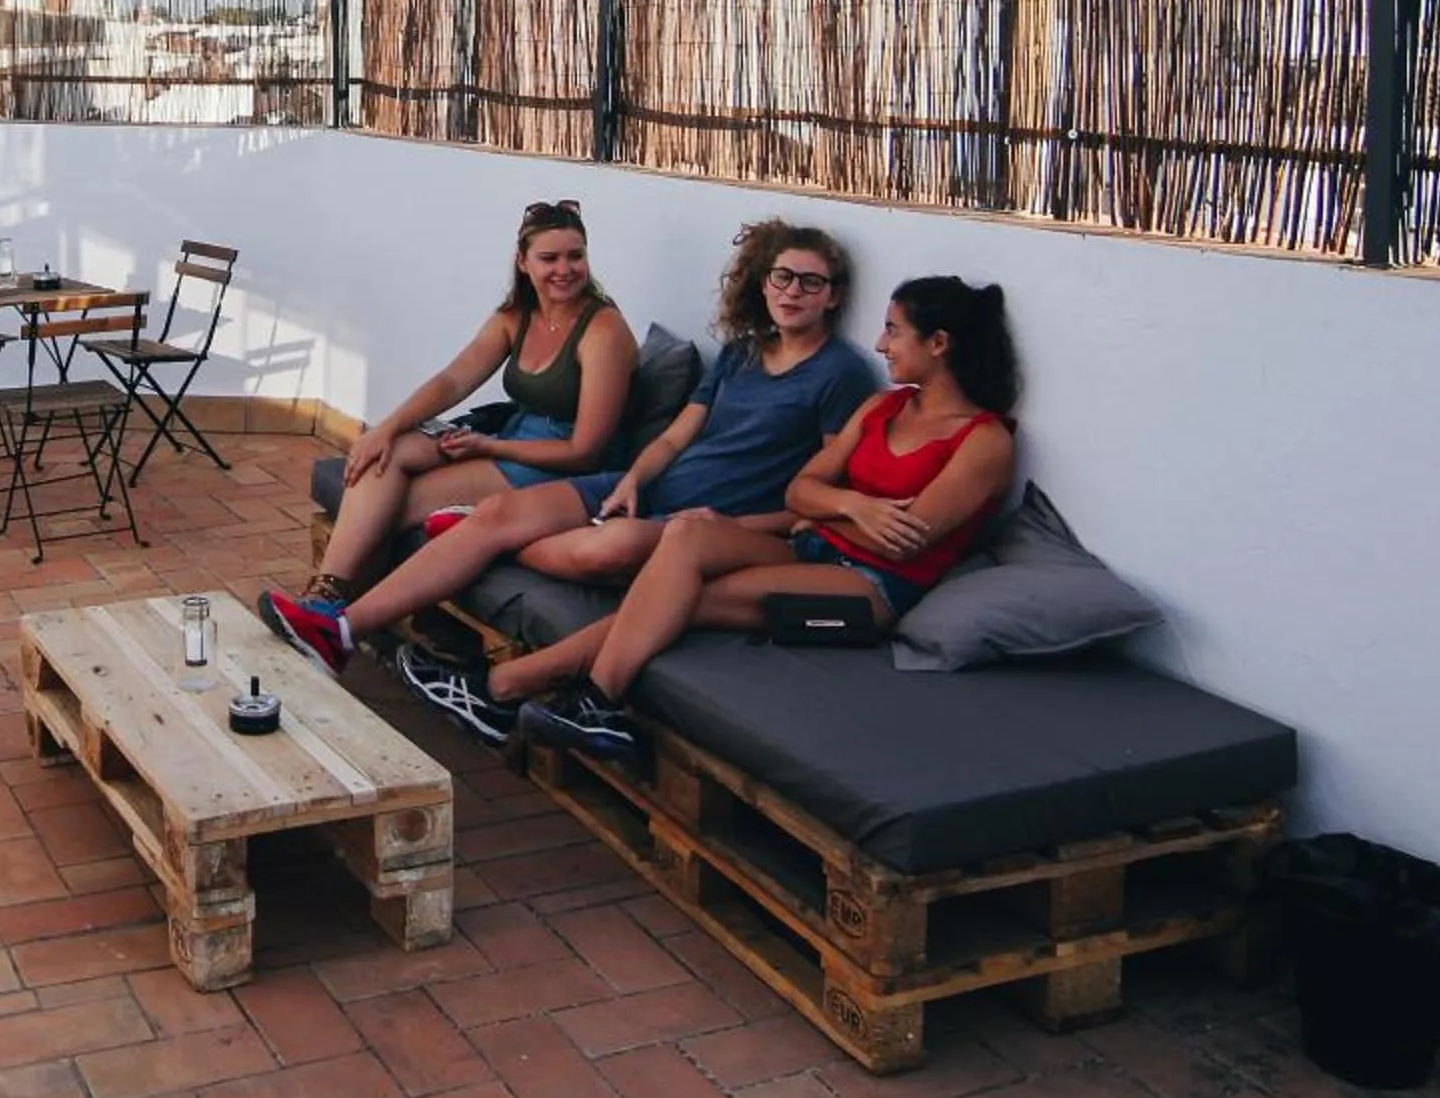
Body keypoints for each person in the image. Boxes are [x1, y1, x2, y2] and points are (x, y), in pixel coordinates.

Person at [260, 220, 876, 697]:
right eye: (782, 278)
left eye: (810, 282)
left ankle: (466, 533)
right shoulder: (743, 354)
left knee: (594, 547)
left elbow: (814, 491)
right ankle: (336, 629)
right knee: (487, 512)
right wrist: (634, 478)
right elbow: (672, 441)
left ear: (834, 296)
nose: (792, 292)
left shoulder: (840, 375)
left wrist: (736, 528)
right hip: (642, 489)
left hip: (706, 521)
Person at [467, 276, 1021, 765]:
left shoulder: (984, 441)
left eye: (894, 331)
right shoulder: (885, 408)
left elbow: (904, 542)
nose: (881, 344)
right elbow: (800, 489)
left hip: (869, 590)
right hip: (812, 547)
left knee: (685, 600)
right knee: (687, 533)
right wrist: (852, 506)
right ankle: (544, 696)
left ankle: (565, 696)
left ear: (939, 344)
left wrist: (823, 515)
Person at [294, 199, 638, 608]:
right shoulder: (516, 317)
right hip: (514, 436)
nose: (564, 270)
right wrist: (383, 429)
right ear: (523, 262)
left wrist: (487, 446)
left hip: (557, 467)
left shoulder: (603, 330)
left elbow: (585, 452)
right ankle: (325, 599)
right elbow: (453, 380)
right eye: (549, 258)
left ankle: (332, 615)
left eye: (575, 256)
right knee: (387, 453)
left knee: (392, 506)